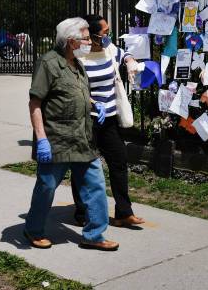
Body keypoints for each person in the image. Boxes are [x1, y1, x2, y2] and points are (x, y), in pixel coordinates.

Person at [24, 17, 118, 251]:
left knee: (95, 185)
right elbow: (35, 103)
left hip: (82, 138)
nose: (89, 41)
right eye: (85, 38)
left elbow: (76, 92)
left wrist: (94, 103)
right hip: (57, 140)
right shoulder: (48, 63)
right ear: (70, 41)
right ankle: (33, 229)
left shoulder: (78, 63)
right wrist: (41, 139)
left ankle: (94, 235)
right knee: (46, 187)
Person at [71, 14, 145, 228]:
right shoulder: (79, 57)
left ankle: (124, 212)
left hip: (109, 119)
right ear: (92, 36)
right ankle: (82, 212)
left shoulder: (110, 49)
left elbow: (124, 54)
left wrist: (130, 60)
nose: (108, 36)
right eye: (104, 32)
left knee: (119, 162)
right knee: (83, 166)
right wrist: (93, 102)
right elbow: (74, 87)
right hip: (88, 120)